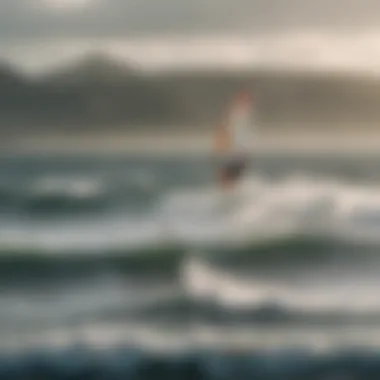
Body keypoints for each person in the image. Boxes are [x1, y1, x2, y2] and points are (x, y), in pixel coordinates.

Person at [214, 90, 253, 190]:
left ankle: (232, 192)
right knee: (228, 176)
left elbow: (228, 130)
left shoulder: (240, 113)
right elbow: (227, 130)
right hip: (238, 153)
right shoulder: (239, 113)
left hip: (240, 153)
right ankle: (232, 191)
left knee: (227, 176)